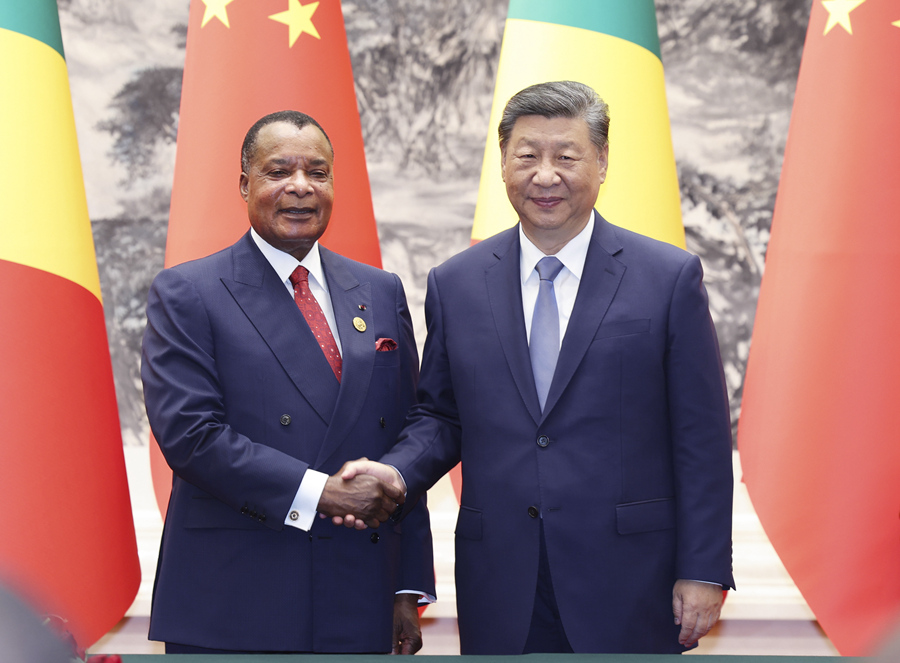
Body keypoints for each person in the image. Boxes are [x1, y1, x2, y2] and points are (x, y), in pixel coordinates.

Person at [339, 81, 734, 654]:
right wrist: (396, 474)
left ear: (601, 162)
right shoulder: (457, 282)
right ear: (502, 163)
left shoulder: (667, 278)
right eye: (527, 156)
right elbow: (442, 416)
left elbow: (700, 436)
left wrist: (703, 569)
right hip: (500, 576)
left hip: (630, 579)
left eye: (566, 157)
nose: (545, 175)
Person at [141, 110, 434, 654]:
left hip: (362, 586)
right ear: (245, 184)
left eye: (317, 172)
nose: (300, 186)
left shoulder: (381, 289)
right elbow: (191, 435)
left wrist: (405, 587)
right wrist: (320, 492)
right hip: (238, 595)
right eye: (279, 171)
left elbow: (407, 431)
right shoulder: (188, 292)